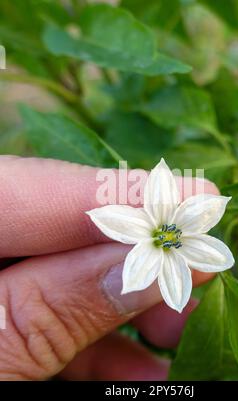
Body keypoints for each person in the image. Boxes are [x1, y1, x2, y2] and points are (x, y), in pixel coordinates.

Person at [0, 156, 218, 381]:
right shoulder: (158, 233)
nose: (169, 236)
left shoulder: (175, 240)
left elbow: (211, 249)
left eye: (170, 237)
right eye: (168, 235)